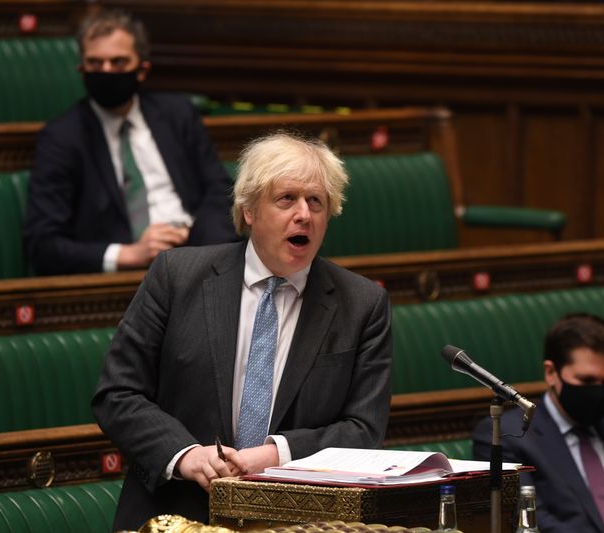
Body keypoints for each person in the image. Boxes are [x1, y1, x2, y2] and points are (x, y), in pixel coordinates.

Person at [91, 132, 393, 530]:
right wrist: (185, 454)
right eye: (287, 199)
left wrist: (276, 454)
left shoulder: (362, 304)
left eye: (316, 201)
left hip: (295, 520)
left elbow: (364, 429)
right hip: (176, 514)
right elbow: (118, 393)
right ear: (249, 210)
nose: (304, 214)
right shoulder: (176, 277)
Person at [24, 8, 238, 276]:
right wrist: (129, 254)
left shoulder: (177, 115)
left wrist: (202, 251)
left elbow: (219, 191)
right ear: (81, 69)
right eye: (95, 63)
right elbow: (43, 244)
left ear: (142, 69)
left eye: (118, 62)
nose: (106, 71)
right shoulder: (62, 138)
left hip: (201, 256)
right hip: (129, 277)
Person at [473, 313, 604, 533]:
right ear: (551, 373)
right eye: (587, 381)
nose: (599, 392)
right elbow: (527, 522)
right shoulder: (507, 436)